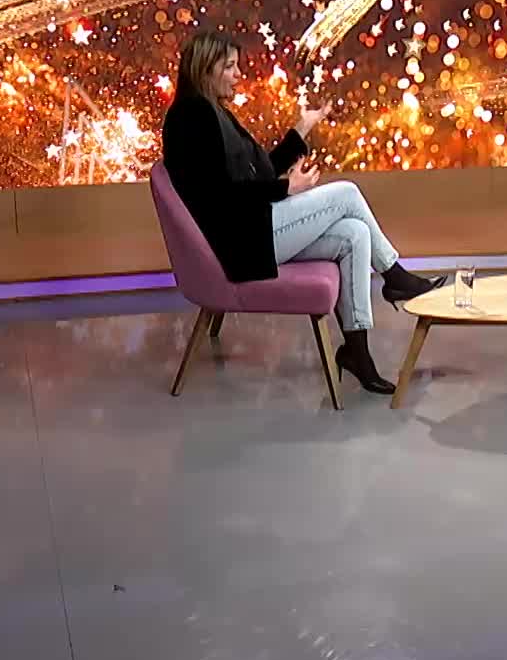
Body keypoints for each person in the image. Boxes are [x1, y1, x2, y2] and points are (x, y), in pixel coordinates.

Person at [161, 30, 444, 395]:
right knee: (347, 193)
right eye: (229, 67)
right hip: (242, 243)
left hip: (251, 229)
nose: (237, 75)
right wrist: (286, 189)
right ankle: (395, 276)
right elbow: (220, 197)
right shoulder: (191, 117)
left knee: (355, 234)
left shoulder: (213, 111)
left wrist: (301, 129)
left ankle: (357, 353)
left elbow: (259, 172)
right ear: (206, 68)